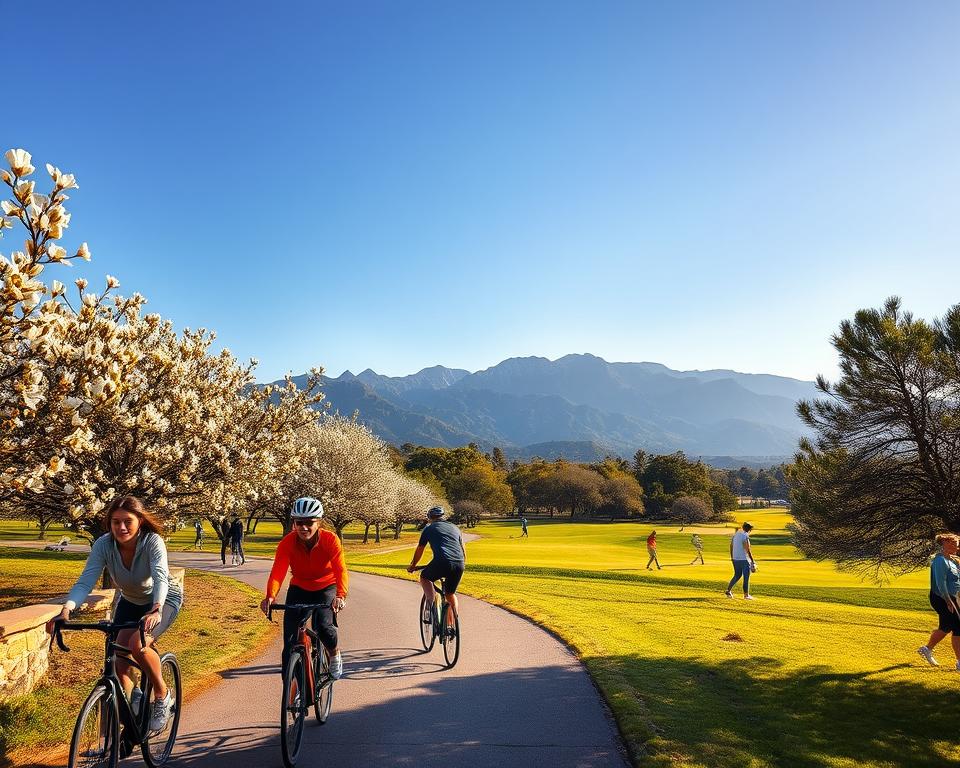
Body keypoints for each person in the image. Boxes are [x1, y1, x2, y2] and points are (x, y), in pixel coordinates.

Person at [46, 496, 182, 731]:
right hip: (130, 601)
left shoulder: (152, 541)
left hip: (163, 599)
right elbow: (86, 581)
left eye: (127, 521)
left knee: (137, 645)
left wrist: (156, 608)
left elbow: (161, 577)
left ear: (140, 520)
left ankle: (162, 695)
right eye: (115, 522)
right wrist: (66, 609)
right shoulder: (103, 545)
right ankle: (129, 716)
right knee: (119, 661)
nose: (121, 527)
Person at [260, 497, 347, 680]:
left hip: (326, 586)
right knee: (290, 645)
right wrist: (270, 596)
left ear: (319, 522)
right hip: (300, 587)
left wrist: (340, 595)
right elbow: (278, 571)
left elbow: (340, 569)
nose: (304, 527)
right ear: (294, 522)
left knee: (323, 626)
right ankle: (293, 691)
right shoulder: (287, 543)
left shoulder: (330, 540)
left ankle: (334, 653)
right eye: (299, 522)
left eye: (309, 522)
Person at [407, 506, 465, 636]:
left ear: (430, 518)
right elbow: (462, 549)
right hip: (459, 563)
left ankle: (431, 602)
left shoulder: (429, 529)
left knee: (425, 577)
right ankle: (452, 625)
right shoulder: (455, 528)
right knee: (450, 594)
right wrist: (460, 563)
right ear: (443, 516)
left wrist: (413, 565)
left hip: (441, 562)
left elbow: (420, 549)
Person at [918, 533, 960, 669]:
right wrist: (948, 601)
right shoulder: (940, 561)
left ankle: (927, 649)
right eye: (950, 543)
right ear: (943, 545)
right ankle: (959, 662)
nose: (954, 545)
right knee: (954, 626)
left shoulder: (953, 561)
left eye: (955, 543)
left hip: (953, 597)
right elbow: (941, 583)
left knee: (949, 626)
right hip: (941, 597)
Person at [725, 522, 756, 599]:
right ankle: (746, 595)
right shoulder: (745, 536)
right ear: (749, 529)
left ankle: (728, 591)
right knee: (746, 577)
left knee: (737, 575)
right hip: (744, 559)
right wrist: (752, 561)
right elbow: (748, 549)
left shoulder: (736, 534)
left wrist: (732, 557)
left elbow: (731, 546)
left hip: (735, 558)